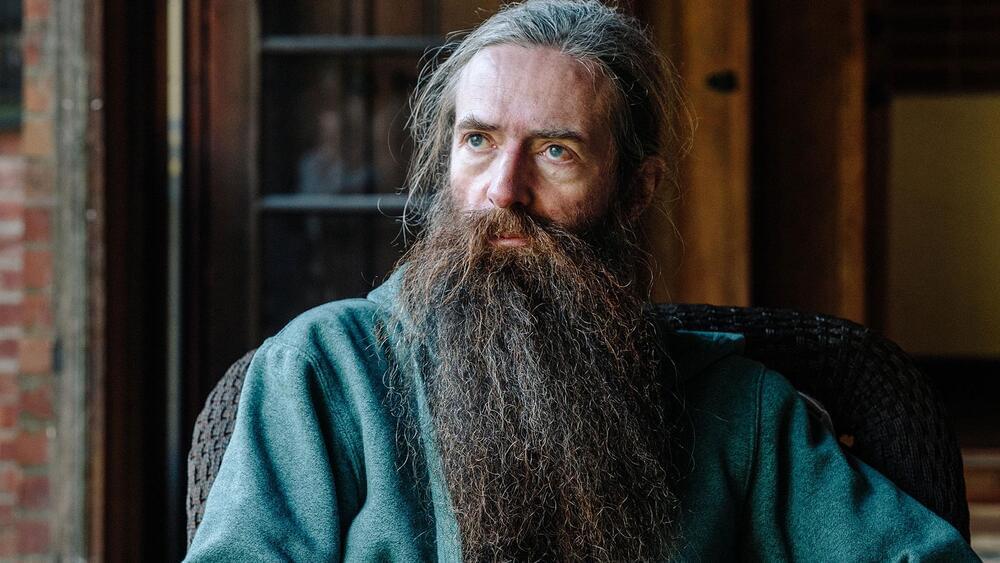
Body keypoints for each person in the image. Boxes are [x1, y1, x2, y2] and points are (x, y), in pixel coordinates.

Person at [185, 1, 978, 560]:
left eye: (556, 151)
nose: (503, 191)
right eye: (478, 140)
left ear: (634, 191)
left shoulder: (739, 408)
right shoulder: (326, 370)